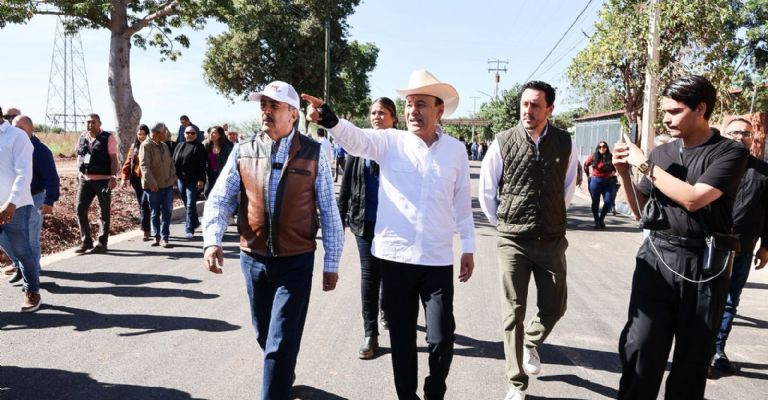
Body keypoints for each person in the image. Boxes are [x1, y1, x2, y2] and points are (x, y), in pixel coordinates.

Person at [305, 69, 475, 400]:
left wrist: (468, 247)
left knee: (441, 338)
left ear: (439, 109)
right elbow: (356, 138)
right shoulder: (390, 142)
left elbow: (462, 205)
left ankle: (434, 389)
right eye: (409, 104)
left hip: (436, 261)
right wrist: (328, 117)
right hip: (394, 260)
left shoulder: (456, 151)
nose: (413, 111)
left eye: (421, 104)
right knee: (401, 339)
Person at [202, 80, 343, 400]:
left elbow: (328, 210)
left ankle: (275, 385)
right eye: (263, 105)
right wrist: (212, 240)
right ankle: (282, 372)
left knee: (280, 344)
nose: (265, 111)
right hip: (253, 259)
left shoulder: (314, 152)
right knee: (265, 335)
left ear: (293, 114)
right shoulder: (243, 150)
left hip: (296, 259)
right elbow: (221, 199)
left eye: (273, 106)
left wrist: (331, 261)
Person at [613, 75, 748, 399]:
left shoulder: (728, 152)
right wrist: (623, 173)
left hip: (704, 266)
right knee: (640, 349)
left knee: (692, 362)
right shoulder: (662, 155)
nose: (667, 118)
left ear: (701, 108)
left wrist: (643, 164)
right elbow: (641, 211)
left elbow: (693, 198)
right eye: (665, 111)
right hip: (657, 257)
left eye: (675, 111)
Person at [478, 80, 579, 400]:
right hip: (513, 241)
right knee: (513, 312)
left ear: (549, 109)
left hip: (551, 239)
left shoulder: (566, 143)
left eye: (535, 105)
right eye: (524, 104)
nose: (528, 110)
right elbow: (487, 192)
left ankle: (531, 342)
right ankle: (516, 383)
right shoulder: (503, 141)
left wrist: (551, 219)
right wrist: (506, 224)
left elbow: (567, 188)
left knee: (555, 305)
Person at [337, 97, 397, 360]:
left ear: (394, 118)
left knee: (390, 275)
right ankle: (370, 334)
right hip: (364, 222)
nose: (377, 117)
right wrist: (338, 220)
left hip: (394, 225)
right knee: (370, 276)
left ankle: (387, 309)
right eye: (373, 112)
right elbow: (346, 187)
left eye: (382, 113)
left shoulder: (401, 147)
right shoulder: (357, 148)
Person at [711, 117, 768, 375]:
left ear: (752, 136)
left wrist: (765, 245)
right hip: (710, 245)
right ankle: (697, 351)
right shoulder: (711, 164)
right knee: (705, 300)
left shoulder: (763, 171)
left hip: (743, 247)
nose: (740, 136)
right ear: (724, 134)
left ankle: (716, 350)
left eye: (745, 132)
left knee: (731, 301)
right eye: (734, 132)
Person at [3, 115, 61, 285]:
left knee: (30, 239)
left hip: (34, 197)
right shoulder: (10, 145)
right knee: (7, 237)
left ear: (31, 129)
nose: (16, 132)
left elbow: (52, 178)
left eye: (21, 129)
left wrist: (50, 200)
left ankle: (32, 275)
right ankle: (21, 266)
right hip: (12, 199)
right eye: (14, 128)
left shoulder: (40, 150)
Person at [0, 107, 41, 312]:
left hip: (14, 207)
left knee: (22, 252)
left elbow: (24, 172)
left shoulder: (17, 137)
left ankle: (32, 290)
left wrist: (11, 202)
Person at [75, 113, 119, 254]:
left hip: (103, 180)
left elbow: (114, 159)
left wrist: (113, 177)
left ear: (99, 123)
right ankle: (86, 242)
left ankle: (102, 243)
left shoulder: (108, 138)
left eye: (93, 122)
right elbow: (80, 156)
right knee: (80, 209)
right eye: (88, 122)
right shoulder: (83, 137)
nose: (90, 124)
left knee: (104, 212)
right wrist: (79, 173)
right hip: (85, 180)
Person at [139, 123, 177, 248]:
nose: (166, 133)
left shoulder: (164, 145)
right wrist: (152, 183)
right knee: (155, 212)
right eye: (163, 131)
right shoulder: (146, 146)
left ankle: (165, 237)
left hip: (167, 185)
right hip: (153, 187)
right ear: (156, 133)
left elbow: (170, 162)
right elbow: (144, 166)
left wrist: (173, 177)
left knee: (167, 211)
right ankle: (157, 236)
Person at [173, 126, 207, 239]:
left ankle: (189, 229)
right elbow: (174, 163)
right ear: (184, 134)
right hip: (181, 180)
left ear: (196, 135)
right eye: (188, 133)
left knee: (190, 203)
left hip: (194, 180)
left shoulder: (199, 147)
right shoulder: (179, 146)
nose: (190, 135)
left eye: (192, 133)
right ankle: (195, 222)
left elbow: (202, 165)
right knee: (187, 204)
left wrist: (201, 179)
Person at [120, 124, 152, 241]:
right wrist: (124, 177)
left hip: (149, 180)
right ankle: (146, 228)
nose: (141, 136)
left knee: (145, 204)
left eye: (144, 134)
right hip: (137, 180)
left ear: (148, 134)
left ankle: (147, 230)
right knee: (142, 204)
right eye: (139, 134)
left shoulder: (151, 146)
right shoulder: (134, 147)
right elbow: (128, 163)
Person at [583, 141, 617, 229]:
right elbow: (586, 165)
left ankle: (601, 219)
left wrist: (614, 172)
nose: (602, 148)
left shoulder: (610, 156)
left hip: (608, 182)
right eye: (600, 147)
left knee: (608, 202)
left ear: (606, 147)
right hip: (595, 181)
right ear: (598, 148)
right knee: (595, 202)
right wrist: (588, 175)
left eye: (604, 146)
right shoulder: (594, 156)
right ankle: (596, 221)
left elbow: (615, 167)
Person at [203, 126, 233, 199]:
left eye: (214, 133)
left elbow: (231, 164)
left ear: (219, 135)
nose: (211, 134)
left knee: (222, 195)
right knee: (207, 193)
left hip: (222, 175)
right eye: (210, 133)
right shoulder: (207, 146)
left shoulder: (226, 148)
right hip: (210, 175)